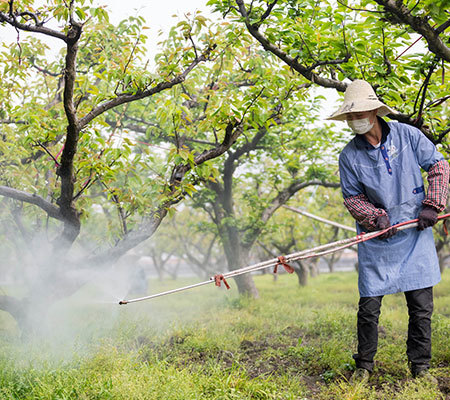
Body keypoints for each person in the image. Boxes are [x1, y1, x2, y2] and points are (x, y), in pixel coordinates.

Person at [327, 79, 449, 383]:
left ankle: (420, 367)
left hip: (415, 230)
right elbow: (352, 197)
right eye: (350, 116)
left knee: (421, 307)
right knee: (369, 306)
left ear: (374, 111)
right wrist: (374, 218)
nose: (356, 120)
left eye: (360, 113)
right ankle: (364, 366)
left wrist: (432, 205)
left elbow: (439, 166)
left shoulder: (408, 136)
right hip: (378, 238)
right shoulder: (349, 156)